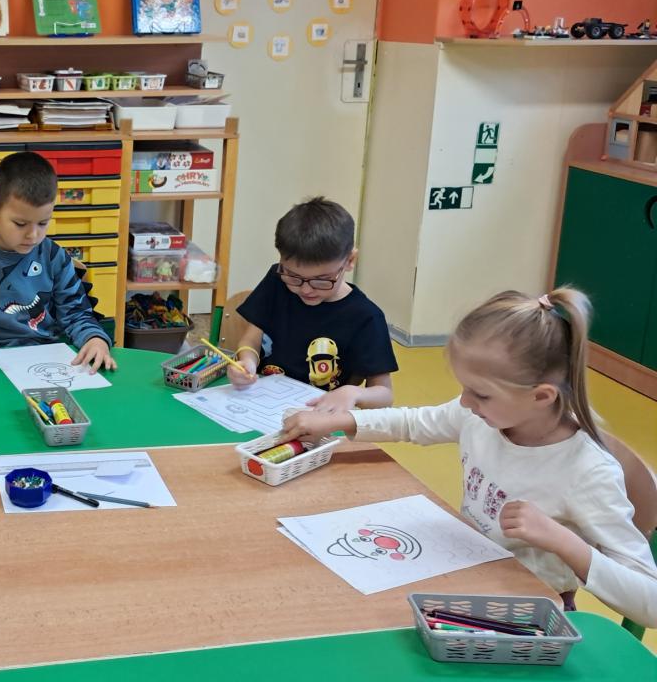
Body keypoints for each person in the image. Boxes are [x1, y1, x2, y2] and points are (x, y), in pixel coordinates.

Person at [281, 288, 657, 627]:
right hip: (464, 580)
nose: (464, 402)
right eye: (464, 388)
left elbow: (650, 603)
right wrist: (342, 420)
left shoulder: (587, 471)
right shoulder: (482, 416)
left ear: (542, 396)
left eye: (480, 394)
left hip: (525, 618)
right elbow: (415, 422)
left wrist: (564, 542)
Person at [0, 151, 115, 371]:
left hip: (48, 361)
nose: (33, 235)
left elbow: (77, 315)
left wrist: (95, 339)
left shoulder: (54, 257)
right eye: (20, 224)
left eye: (43, 223)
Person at [230, 196, 396, 410]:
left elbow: (384, 394)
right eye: (293, 276)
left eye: (321, 280)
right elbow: (251, 339)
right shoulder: (277, 281)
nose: (306, 289)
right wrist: (247, 362)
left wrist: (354, 393)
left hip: (318, 416)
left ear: (350, 260)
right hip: (262, 403)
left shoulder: (366, 317)